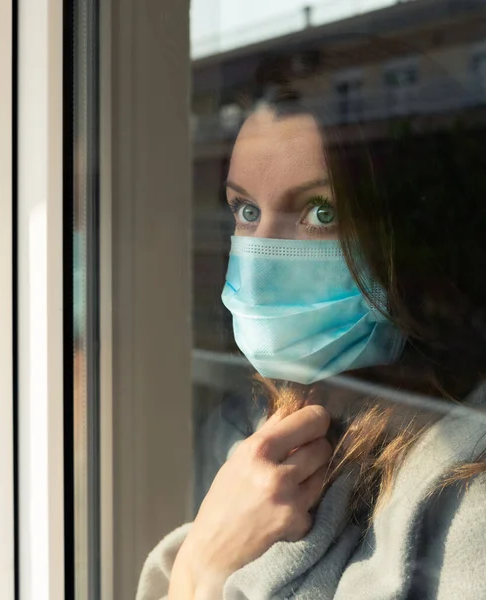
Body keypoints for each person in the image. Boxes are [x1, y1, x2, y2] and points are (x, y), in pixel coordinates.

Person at [137, 70, 486, 599]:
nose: (260, 259)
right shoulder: (241, 433)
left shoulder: (466, 495)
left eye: (319, 211)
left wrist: (198, 576)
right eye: (246, 210)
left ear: (402, 240)